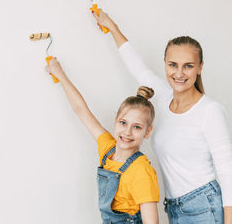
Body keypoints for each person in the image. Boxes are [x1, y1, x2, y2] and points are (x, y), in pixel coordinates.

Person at [91, 9, 232, 224]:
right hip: (174, 208)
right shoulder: (161, 95)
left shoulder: (210, 111)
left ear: (200, 68)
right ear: (165, 64)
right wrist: (111, 27)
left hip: (204, 208)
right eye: (173, 65)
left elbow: (227, 172)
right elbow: (136, 66)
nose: (179, 73)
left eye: (188, 66)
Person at [46, 57, 160, 224]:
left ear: (147, 131)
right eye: (123, 123)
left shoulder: (141, 170)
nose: (127, 132)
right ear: (116, 120)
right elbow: (81, 110)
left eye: (137, 127)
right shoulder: (108, 148)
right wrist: (60, 75)